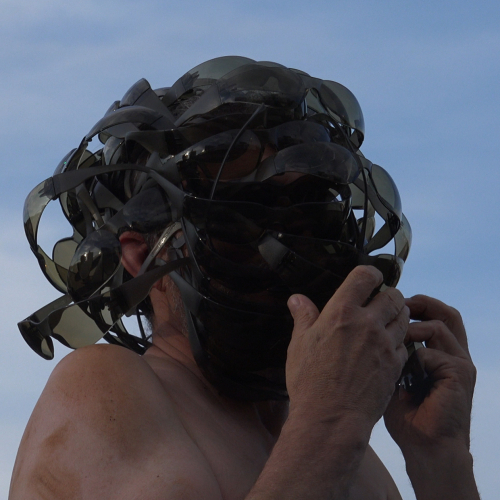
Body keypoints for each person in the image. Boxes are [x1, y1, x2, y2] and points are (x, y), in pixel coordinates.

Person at [10, 56, 478, 499]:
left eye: (311, 219)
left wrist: (441, 460)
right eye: (243, 221)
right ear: (145, 258)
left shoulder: (358, 465)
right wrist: (331, 420)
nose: (287, 254)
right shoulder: (104, 385)